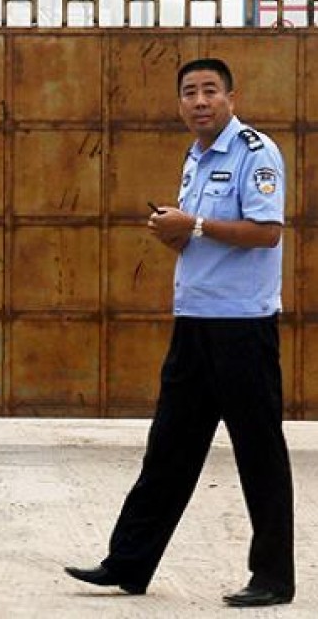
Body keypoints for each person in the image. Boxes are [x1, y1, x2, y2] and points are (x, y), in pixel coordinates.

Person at [64, 58, 294, 607]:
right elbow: (204, 236)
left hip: (242, 327)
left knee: (258, 453)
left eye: (209, 91)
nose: (199, 101)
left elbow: (266, 232)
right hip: (194, 322)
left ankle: (272, 577)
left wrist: (191, 225)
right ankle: (128, 563)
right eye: (188, 92)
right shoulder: (194, 157)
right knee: (167, 449)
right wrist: (177, 233)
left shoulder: (256, 154)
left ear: (231, 97)